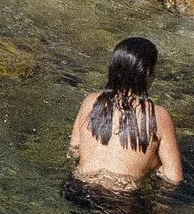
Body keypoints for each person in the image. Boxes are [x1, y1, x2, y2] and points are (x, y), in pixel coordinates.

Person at [67, 35, 183, 194]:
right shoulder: (159, 116)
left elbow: (74, 149)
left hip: (77, 189)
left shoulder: (90, 101)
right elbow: (174, 177)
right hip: (121, 200)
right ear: (147, 73)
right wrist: (154, 164)